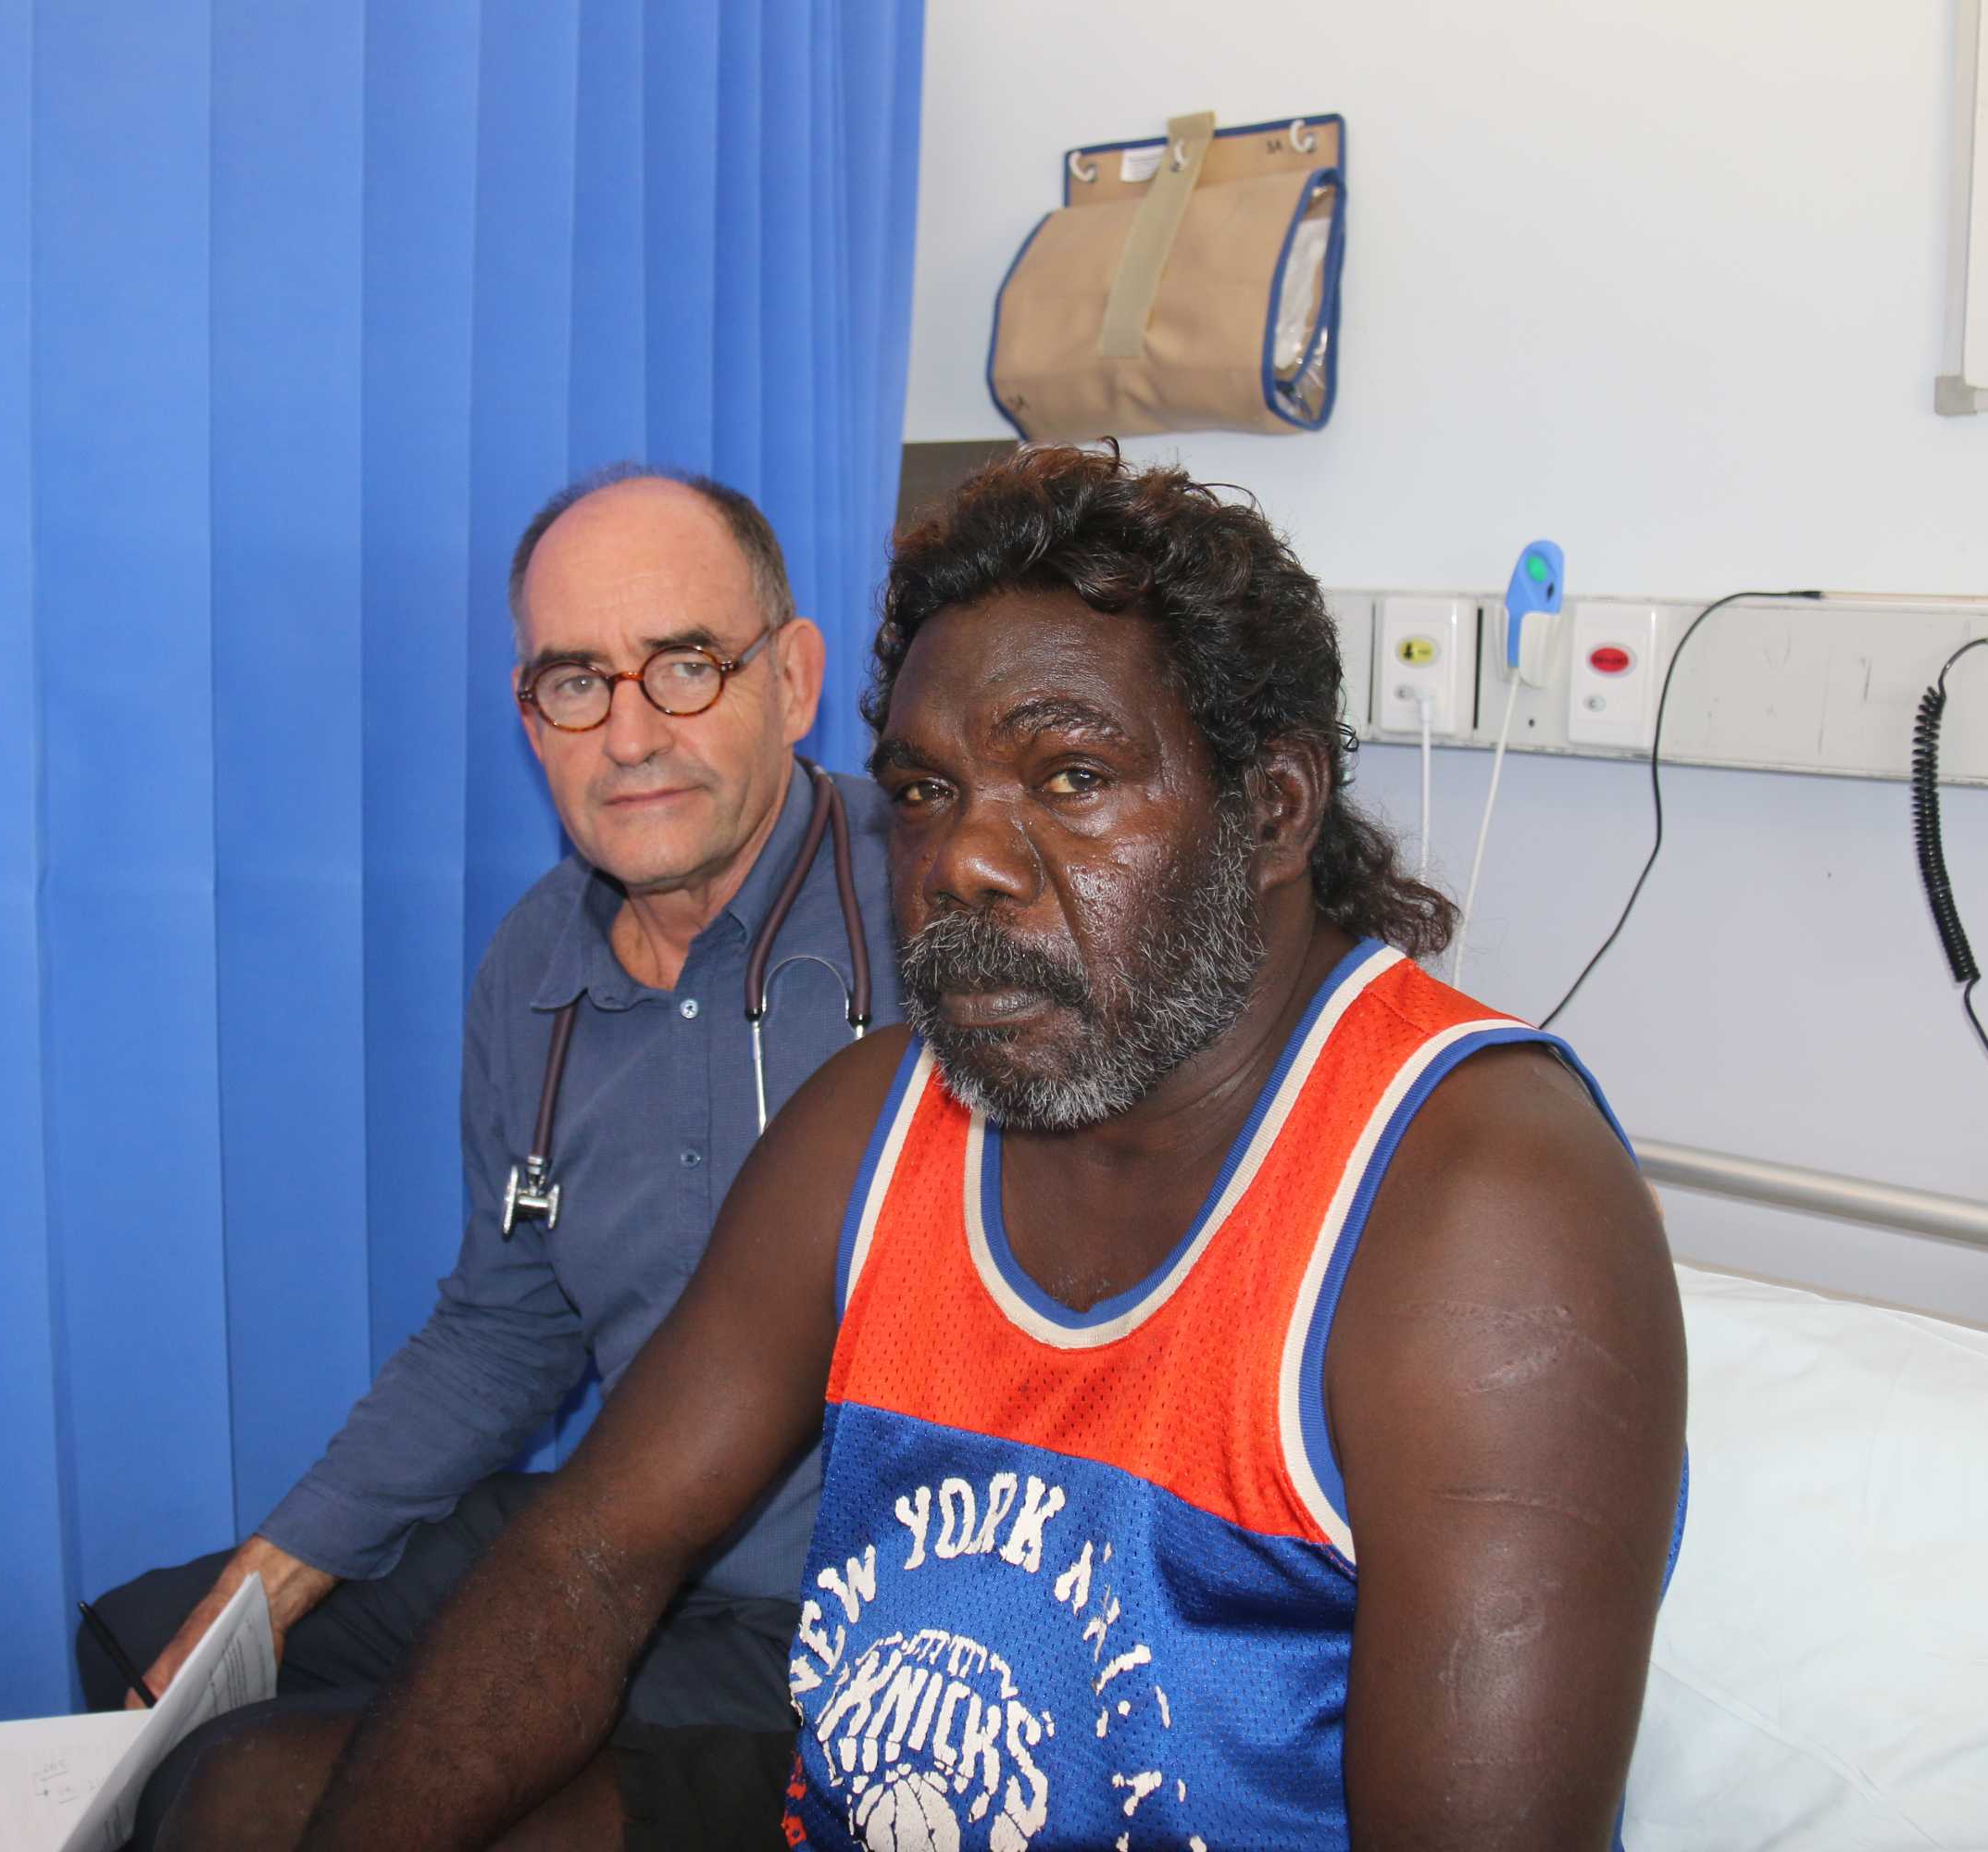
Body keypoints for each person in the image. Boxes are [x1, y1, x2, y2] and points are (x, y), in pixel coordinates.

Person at [165, 445, 1687, 1851]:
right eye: (925, 792)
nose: (960, 857)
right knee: (238, 1797)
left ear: (1273, 810)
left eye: (1072, 779)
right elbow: (589, 1564)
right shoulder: (879, 1119)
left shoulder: (1478, 1201)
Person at [77, 466, 899, 1846]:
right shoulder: (537, 969)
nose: (630, 733)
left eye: (684, 667)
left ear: (795, 678)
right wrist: (270, 1585)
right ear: (531, 718)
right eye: (577, 681)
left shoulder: (931, 902)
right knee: (153, 1659)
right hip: (612, 1548)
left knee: (260, 1791)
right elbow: (506, 1325)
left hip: (842, 1606)